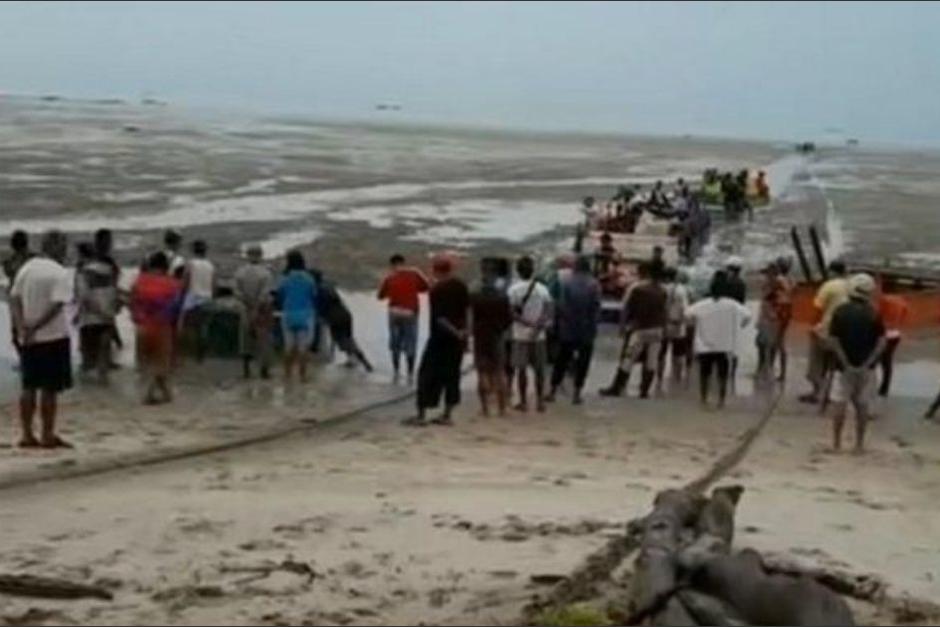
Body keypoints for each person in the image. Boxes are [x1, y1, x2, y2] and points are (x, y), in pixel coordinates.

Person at [10, 230, 74, 448]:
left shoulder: (27, 268)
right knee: (50, 388)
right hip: (53, 336)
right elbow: (57, 305)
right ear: (57, 247)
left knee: (29, 386)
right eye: (63, 246)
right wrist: (36, 326)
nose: (66, 251)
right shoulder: (60, 272)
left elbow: (14, 299)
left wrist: (22, 327)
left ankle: (27, 434)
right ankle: (47, 434)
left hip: (29, 338)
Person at [406, 255, 470, 427]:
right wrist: (465, 333)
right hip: (458, 340)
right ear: (451, 269)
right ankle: (447, 415)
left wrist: (456, 332)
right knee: (452, 376)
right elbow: (468, 310)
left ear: (435, 270)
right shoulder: (461, 285)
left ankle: (421, 416)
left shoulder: (437, 290)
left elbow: (439, 318)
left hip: (440, 339)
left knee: (426, 375)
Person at [827, 274, 886, 453]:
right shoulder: (874, 313)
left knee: (839, 404)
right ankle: (858, 445)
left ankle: (836, 444)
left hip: (842, 368)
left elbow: (833, 340)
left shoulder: (840, 311)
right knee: (862, 406)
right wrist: (867, 363)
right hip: (867, 369)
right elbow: (882, 342)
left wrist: (845, 362)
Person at [600, 262, 667, 399]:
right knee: (651, 361)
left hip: (640, 329)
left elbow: (627, 309)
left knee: (628, 359)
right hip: (657, 330)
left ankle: (617, 388)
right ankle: (644, 391)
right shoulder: (662, 290)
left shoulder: (637, 289)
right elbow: (664, 311)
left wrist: (622, 326)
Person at [686, 271, 752, 409]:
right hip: (724, 345)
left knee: (705, 373)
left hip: (705, 345)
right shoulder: (732, 304)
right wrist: (739, 326)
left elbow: (687, 314)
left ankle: (703, 398)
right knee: (722, 374)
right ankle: (721, 400)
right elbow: (747, 315)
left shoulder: (702, 304)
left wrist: (695, 324)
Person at [130, 252, 183, 405]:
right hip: (161, 327)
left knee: (145, 363)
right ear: (166, 266)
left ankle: (167, 395)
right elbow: (175, 309)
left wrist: (136, 318)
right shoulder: (173, 284)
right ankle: (148, 394)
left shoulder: (139, 281)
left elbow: (132, 302)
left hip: (141, 327)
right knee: (161, 364)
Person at [547, 255, 600, 405]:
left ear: (575, 267)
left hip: (568, 328)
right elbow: (596, 309)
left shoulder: (567, 282)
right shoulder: (594, 284)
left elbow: (561, 306)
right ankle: (577, 394)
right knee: (583, 362)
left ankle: (552, 391)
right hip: (586, 329)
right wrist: (593, 327)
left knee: (561, 360)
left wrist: (559, 324)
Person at [800, 260, 850, 404]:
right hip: (843, 333)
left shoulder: (828, 286)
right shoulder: (851, 285)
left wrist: (812, 327)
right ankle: (827, 393)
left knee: (815, 363)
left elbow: (818, 309)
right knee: (833, 365)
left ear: (832, 272)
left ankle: (818, 393)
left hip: (825, 330)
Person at [74, 230, 121, 383]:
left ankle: (94, 389)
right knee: (94, 353)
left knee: (94, 354)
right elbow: (84, 292)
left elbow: (84, 292)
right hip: (97, 313)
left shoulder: (93, 264)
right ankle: (99, 386)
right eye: (107, 241)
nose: (108, 244)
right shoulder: (103, 264)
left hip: (96, 313)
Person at [508, 256, 553, 413]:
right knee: (540, 370)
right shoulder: (542, 289)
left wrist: (526, 323)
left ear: (518, 271)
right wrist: (538, 325)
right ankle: (540, 401)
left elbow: (511, 313)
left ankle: (523, 402)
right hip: (539, 336)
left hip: (520, 335)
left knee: (521, 370)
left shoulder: (513, 290)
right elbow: (548, 311)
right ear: (532, 271)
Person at [378, 254, 430, 382]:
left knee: (395, 343)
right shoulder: (414, 273)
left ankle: (396, 371)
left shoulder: (389, 277)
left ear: (392, 265)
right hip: (410, 313)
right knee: (411, 342)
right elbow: (426, 287)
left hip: (394, 313)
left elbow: (380, 296)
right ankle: (410, 373)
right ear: (403, 263)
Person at [470, 260, 513, 417]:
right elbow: (508, 320)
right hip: (497, 336)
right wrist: (501, 329)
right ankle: (502, 409)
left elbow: (471, 318)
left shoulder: (475, 296)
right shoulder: (502, 297)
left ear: (483, 274)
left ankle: (485, 409)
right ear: (495, 275)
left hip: (481, 336)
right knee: (500, 372)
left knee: (482, 373)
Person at [315, 272, 373, 372]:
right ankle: (354, 361)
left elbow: (321, 306)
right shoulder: (328, 287)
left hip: (335, 317)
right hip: (345, 314)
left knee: (343, 341)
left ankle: (364, 362)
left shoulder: (319, 290)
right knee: (347, 339)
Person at [277, 250, 318, 383]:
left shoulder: (285, 279)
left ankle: (287, 375)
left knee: (288, 347)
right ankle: (303, 376)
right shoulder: (309, 278)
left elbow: (280, 295)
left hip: (288, 315)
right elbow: (314, 295)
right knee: (303, 347)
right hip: (305, 315)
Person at [234, 245, 275, 379]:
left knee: (245, 339)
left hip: (245, 308)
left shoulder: (240, 272)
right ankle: (264, 371)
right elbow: (265, 294)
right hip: (262, 311)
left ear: (248, 255)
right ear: (261, 255)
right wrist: (257, 307)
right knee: (263, 340)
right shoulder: (266, 273)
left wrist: (249, 305)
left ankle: (246, 370)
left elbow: (236, 292)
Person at [178, 240, 216, 362]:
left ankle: (190, 354)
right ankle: (202, 353)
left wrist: (180, 297)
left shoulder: (190, 264)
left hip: (192, 300)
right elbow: (214, 285)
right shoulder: (211, 266)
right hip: (207, 299)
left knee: (188, 327)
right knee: (203, 328)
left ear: (193, 250)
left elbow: (185, 282)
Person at [4, 230, 35, 357]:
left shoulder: (8, 263)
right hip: (32, 296)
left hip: (16, 299)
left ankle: (24, 358)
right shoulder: (34, 258)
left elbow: (10, 276)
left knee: (17, 332)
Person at [660, 267, 691, 387]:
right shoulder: (681, 290)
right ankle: (677, 379)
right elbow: (685, 308)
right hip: (677, 324)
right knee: (678, 354)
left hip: (663, 324)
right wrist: (684, 322)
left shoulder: (662, 288)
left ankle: (659, 378)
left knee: (661, 354)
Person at [876, 285, 909, 397]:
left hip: (884, 333)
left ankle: (872, 387)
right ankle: (884, 388)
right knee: (887, 362)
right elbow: (905, 315)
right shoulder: (902, 301)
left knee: (874, 359)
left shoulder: (884, 300)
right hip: (895, 334)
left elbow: (878, 316)